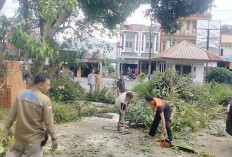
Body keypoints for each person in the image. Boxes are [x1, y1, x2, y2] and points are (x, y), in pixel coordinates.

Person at [5, 73, 58, 157]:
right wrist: (54, 138)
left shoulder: (20, 94)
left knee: (15, 152)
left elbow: (12, 113)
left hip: (19, 138)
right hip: (34, 141)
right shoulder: (45, 100)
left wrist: (7, 128)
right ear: (40, 85)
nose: (49, 87)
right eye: (48, 85)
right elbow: (49, 122)